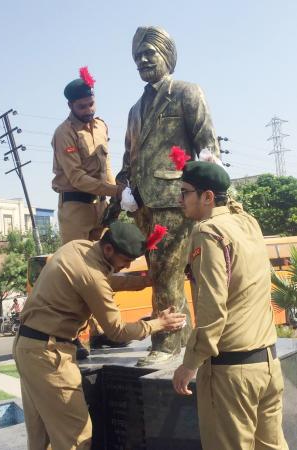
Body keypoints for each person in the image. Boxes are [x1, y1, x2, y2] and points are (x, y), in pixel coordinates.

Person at [13, 221, 186, 450]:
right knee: (77, 437)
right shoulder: (92, 276)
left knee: (41, 435)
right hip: (49, 356)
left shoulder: (78, 248)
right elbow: (117, 331)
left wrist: (141, 282)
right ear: (108, 250)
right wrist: (158, 323)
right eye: (125, 261)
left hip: (28, 348)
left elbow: (104, 278)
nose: (126, 267)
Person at [113, 26, 220, 366]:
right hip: (143, 206)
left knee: (174, 272)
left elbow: (208, 146)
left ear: (167, 56)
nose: (143, 60)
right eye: (137, 56)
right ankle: (182, 337)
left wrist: (209, 193)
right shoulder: (134, 110)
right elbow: (128, 159)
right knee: (162, 272)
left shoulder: (187, 93)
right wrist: (124, 188)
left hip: (178, 200)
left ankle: (169, 341)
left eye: (149, 53)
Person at [172, 160, 288, 449]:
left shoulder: (207, 233)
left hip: (231, 374)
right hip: (268, 366)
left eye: (185, 192)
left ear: (207, 197)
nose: (179, 199)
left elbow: (212, 308)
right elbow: (232, 203)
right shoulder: (248, 222)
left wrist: (189, 364)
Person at [52, 66, 123, 245]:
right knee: (78, 265)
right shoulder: (64, 134)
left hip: (101, 207)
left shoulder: (101, 126)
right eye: (82, 107)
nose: (88, 110)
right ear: (70, 106)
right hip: (76, 209)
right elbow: (76, 178)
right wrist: (115, 191)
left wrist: (117, 197)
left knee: (106, 263)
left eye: (91, 104)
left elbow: (106, 164)